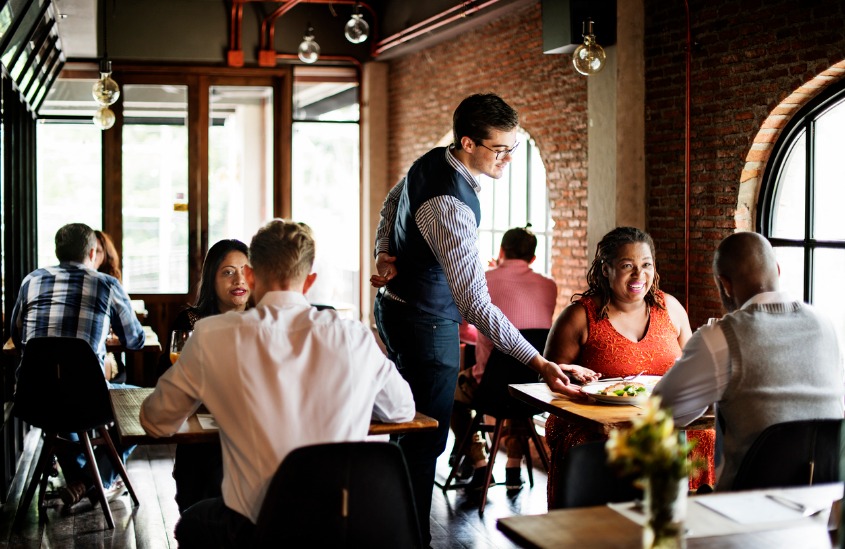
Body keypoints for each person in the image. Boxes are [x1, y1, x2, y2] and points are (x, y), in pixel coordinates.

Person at [371, 93, 597, 540]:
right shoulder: (450, 206)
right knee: (425, 442)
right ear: (468, 142)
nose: (510, 158)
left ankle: (390, 529)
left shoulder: (433, 161)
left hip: (394, 310)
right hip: (424, 325)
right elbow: (476, 305)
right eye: (501, 149)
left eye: (514, 147)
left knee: (406, 429)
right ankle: (410, 538)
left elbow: (390, 202)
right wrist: (540, 363)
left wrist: (384, 250)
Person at [140, 219, 415, 547]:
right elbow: (402, 409)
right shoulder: (353, 336)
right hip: (349, 524)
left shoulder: (212, 335)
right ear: (309, 281)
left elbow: (156, 421)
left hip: (261, 532)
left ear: (253, 276)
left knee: (191, 522)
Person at [653, 231, 845, 490]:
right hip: (824, 502)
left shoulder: (721, 338)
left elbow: (662, 410)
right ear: (777, 269)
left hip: (746, 507)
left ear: (725, 285)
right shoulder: (826, 325)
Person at [542, 226, 713, 508]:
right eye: (627, 266)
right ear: (605, 269)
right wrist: (568, 374)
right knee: (588, 443)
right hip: (594, 423)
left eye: (646, 265)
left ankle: (692, 524)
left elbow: (694, 369)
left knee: (706, 435)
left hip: (664, 417)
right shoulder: (579, 317)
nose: (639, 275)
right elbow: (548, 378)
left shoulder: (670, 309)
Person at [10, 222, 145, 506]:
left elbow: (17, 334)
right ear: (93, 251)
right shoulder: (107, 284)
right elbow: (134, 341)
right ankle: (91, 480)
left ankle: (80, 481)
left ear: (57, 251)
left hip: (32, 397)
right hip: (87, 399)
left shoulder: (31, 280)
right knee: (146, 406)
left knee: (60, 412)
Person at [451, 225, 557, 491]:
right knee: (519, 384)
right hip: (534, 389)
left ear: (501, 250)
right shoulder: (549, 286)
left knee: (450, 396)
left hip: (492, 389)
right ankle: (513, 465)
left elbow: (465, 329)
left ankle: (479, 464)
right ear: (533, 258)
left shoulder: (484, 280)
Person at [157, 238, 250, 513]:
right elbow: (166, 379)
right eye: (228, 272)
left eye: (246, 270)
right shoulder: (191, 322)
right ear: (212, 278)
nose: (238, 279)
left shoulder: (264, 321)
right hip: (201, 440)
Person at [93, 230, 127, 382]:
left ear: (106, 255)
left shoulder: (110, 283)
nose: (92, 256)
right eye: (90, 251)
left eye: (98, 251)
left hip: (105, 354)